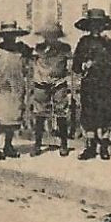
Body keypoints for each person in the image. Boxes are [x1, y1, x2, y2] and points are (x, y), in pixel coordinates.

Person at [72, 8, 111, 161]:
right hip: (89, 84)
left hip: (105, 83)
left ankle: (104, 147)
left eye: (100, 25)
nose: (97, 28)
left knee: (105, 114)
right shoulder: (84, 42)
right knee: (89, 114)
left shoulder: (107, 42)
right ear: (89, 26)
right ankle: (90, 147)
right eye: (94, 25)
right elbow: (76, 64)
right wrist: (83, 65)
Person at [0, 21, 31, 161]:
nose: (9, 38)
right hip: (1, 89)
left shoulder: (20, 51)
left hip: (15, 88)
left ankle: (8, 145)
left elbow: (25, 67)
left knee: (12, 118)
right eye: (7, 35)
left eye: (12, 35)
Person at [29, 22, 74, 156]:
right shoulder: (39, 48)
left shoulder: (65, 48)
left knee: (61, 113)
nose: (50, 38)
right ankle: (37, 144)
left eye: (53, 35)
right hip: (41, 84)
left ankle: (64, 144)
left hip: (59, 84)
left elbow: (70, 65)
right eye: (47, 35)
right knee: (40, 114)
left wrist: (65, 78)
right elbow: (32, 63)